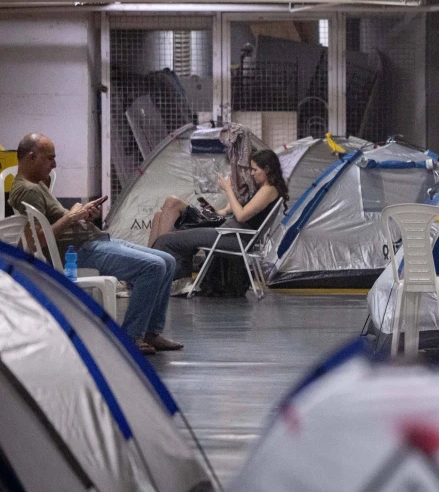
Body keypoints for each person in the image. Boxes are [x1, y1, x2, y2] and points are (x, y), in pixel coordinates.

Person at [10, 133, 181, 355]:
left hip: (91, 240)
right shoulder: (27, 190)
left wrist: (83, 215)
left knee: (167, 260)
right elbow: (35, 242)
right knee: (153, 266)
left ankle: (151, 332)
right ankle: (131, 336)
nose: (54, 164)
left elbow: (54, 221)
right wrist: (71, 217)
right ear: (31, 157)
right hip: (78, 251)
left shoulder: (37, 183)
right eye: (50, 158)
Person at [152, 149, 287, 290]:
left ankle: (155, 278)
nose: (252, 173)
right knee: (171, 234)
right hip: (231, 232)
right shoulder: (266, 189)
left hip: (233, 236)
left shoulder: (269, 190)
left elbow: (241, 216)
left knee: (167, 240)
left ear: (267, 169)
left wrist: (228, 190)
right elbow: (237, 213)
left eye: (255, 170)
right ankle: (173, 279)